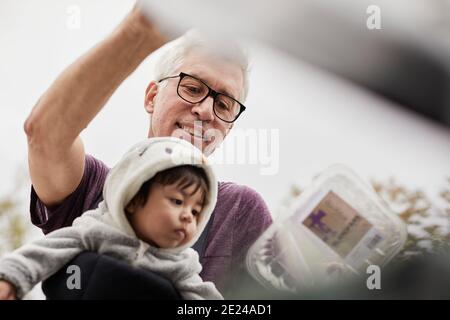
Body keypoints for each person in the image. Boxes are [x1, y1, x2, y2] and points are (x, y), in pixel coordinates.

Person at [24, 4, 272, 296]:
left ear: (227, 130)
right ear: (152, 97)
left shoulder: (240, 211)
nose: (206, 110)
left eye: (223, 105)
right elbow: (45, 136)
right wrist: (139, 30)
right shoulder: (93, 187)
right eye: (192, 88)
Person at [0, 137, 223, 300]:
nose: (187, 216)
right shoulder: (95, 230)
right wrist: (10, 277)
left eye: (196, 212)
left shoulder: (182, 264)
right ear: (132, 197)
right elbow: (45, 251)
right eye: (177, 201)